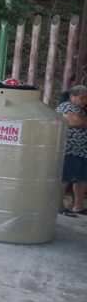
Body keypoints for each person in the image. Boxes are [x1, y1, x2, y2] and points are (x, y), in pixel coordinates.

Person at [56, 84, 87, 216]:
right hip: (69, 150)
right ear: (72, 96)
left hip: (83, 151)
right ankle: (58, 206)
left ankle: (78, 206)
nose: (85, 101)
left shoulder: (82, 109)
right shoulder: (65, 106)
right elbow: (78, 122)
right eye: (82, 97)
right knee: (64, 179)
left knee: (82, 179)